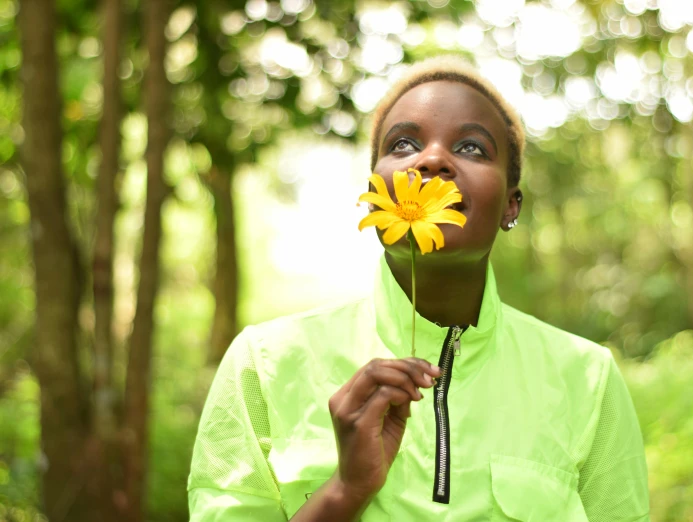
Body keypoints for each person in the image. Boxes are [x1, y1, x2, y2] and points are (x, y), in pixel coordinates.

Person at [187, 55, 650, 521]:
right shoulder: (265, 364)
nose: (432, 159)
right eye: (404, 144)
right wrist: (345, 491)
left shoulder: (587, 378)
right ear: (375, 189)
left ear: (511, 205)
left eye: (472, 148)